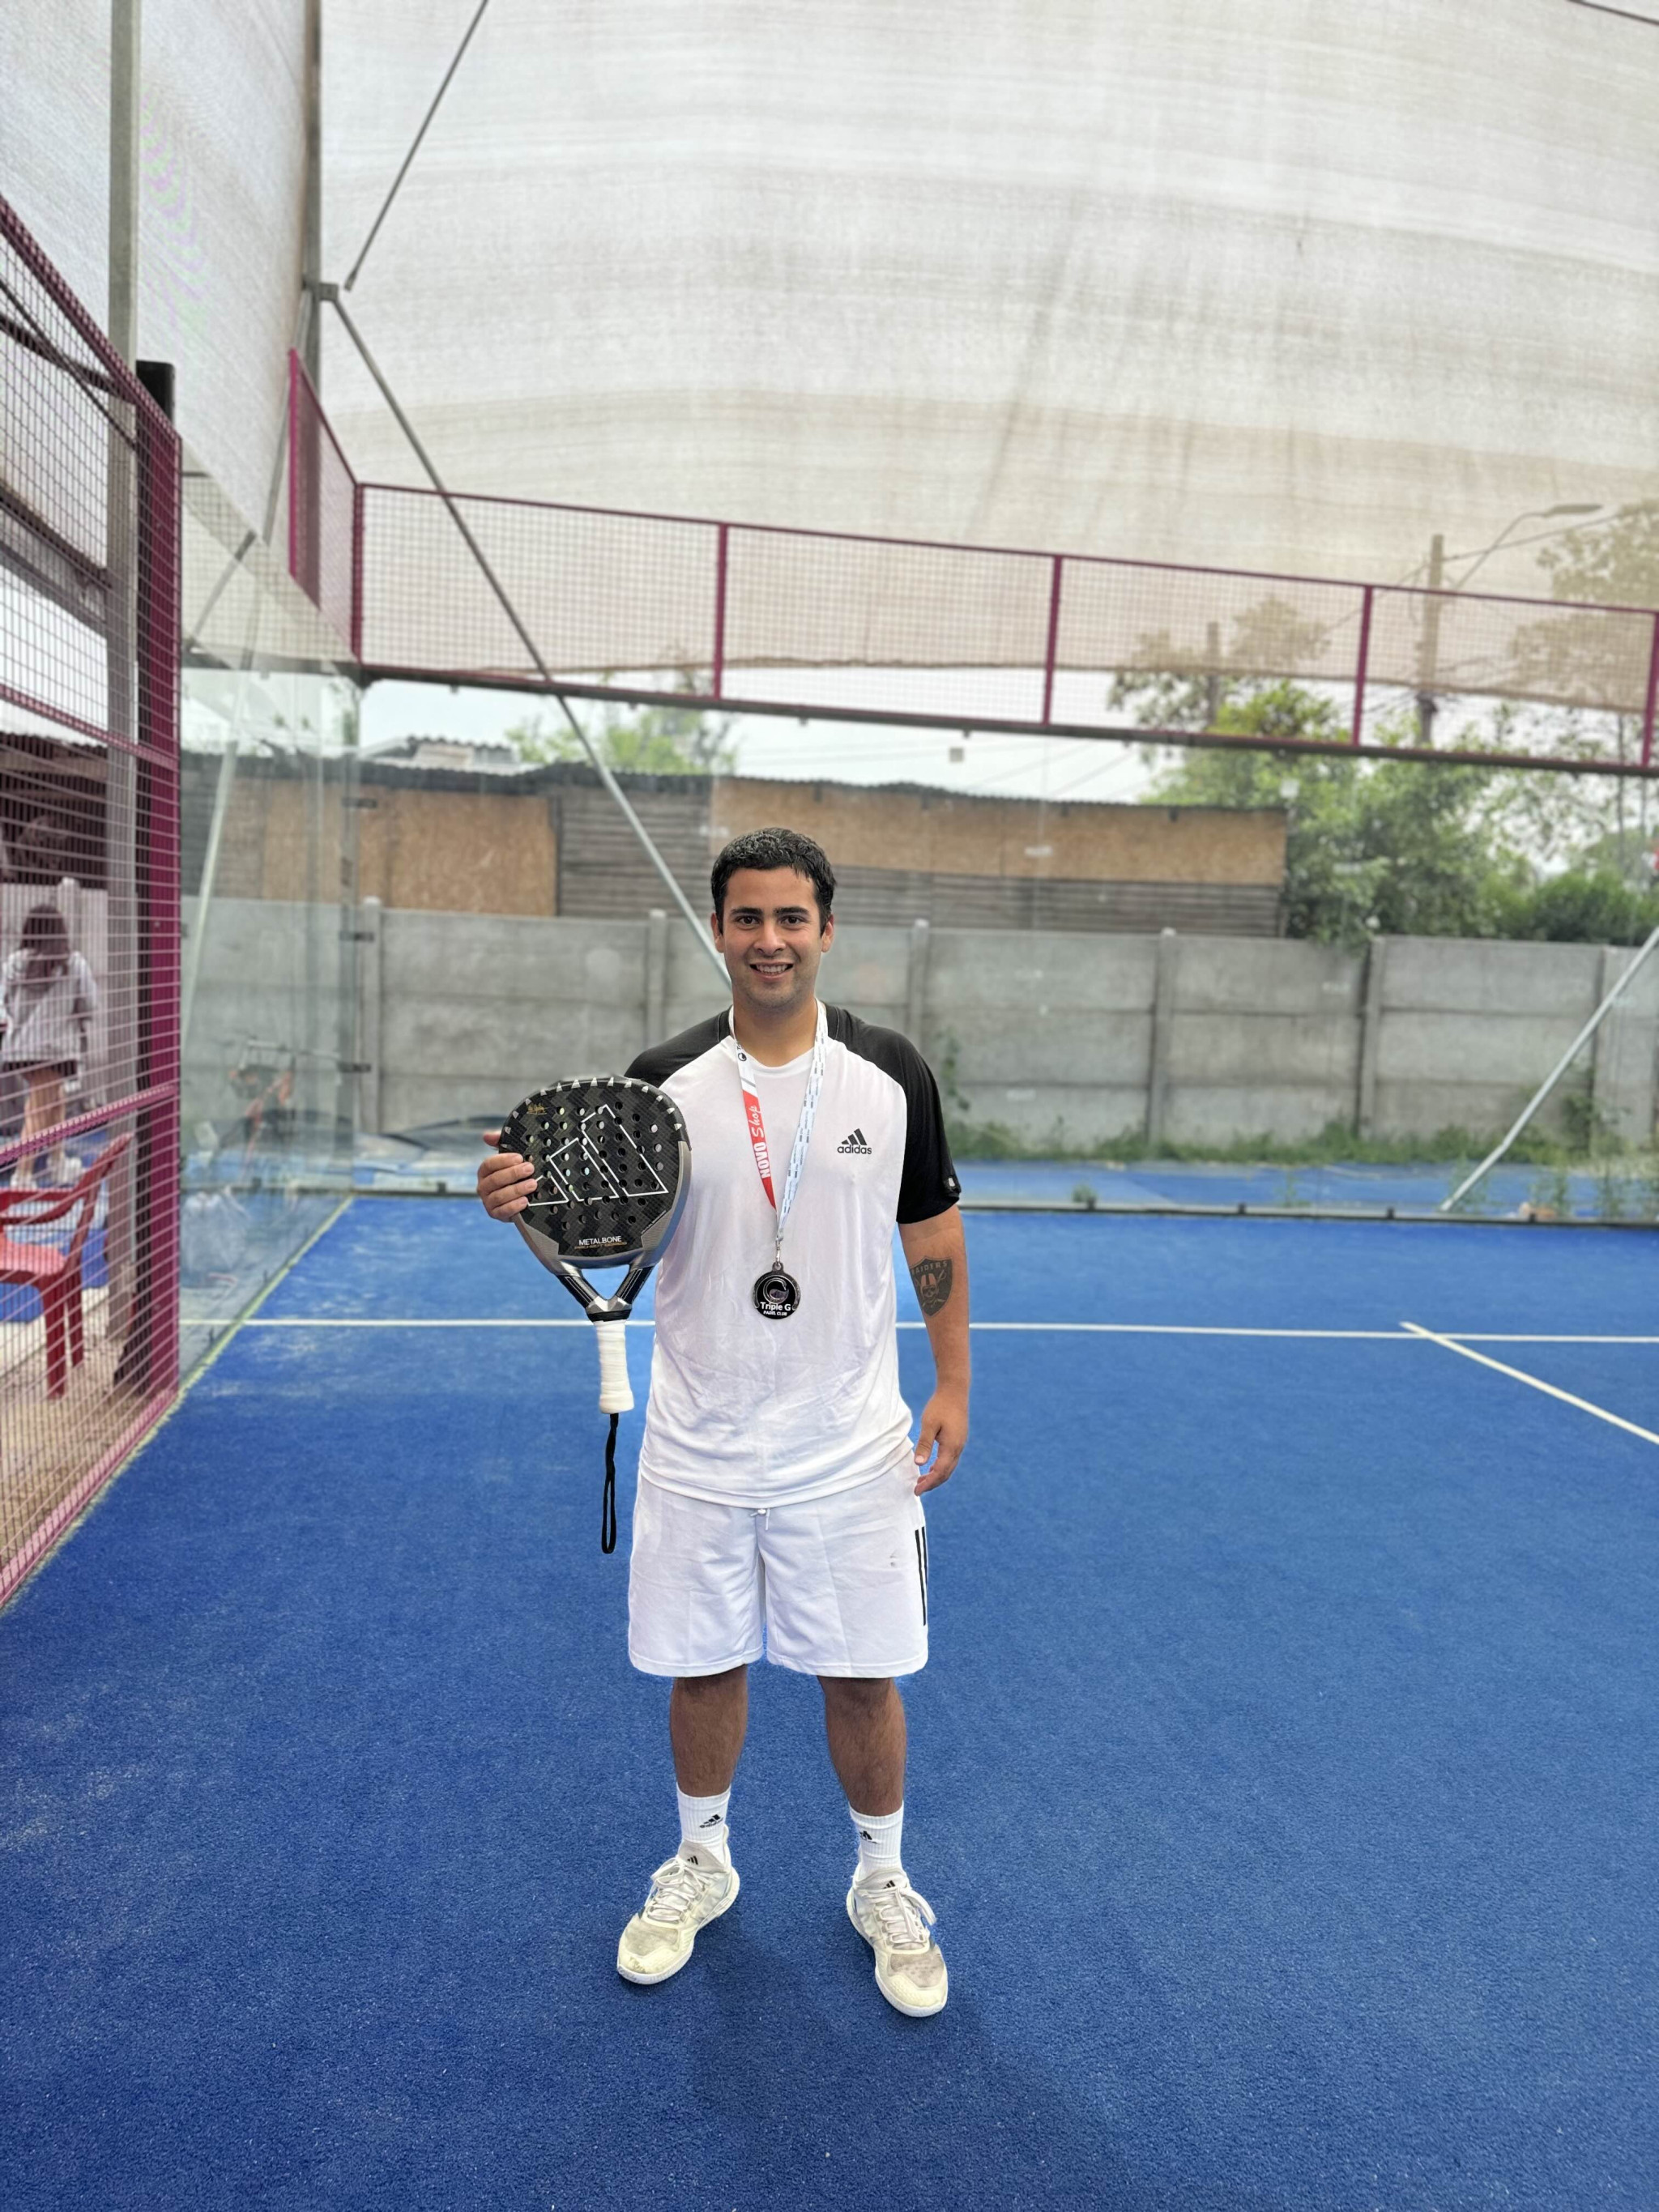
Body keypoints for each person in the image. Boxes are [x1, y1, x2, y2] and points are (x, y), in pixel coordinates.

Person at [476, 826, 970, 2016]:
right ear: (718, 929)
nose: (770, 939)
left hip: (849, 1445)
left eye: (791, 917)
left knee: (863, 1675)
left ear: (827, 930)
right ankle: (702, 1857)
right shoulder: (662, 1081)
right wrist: (516, 1202)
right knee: (702, 1666)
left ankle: (881, 1878)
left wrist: (953, 1384)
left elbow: (932, 1234)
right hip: (699, 1439)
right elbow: (594, 1221)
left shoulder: (891, 1072)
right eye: (748, 917)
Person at [0, 904, 96, 1188]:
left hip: (20, 1048)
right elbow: (89, 1005)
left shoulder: (14, 963)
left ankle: (58, 1162)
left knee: (55, 1100)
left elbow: (3, 1001)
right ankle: (23, 1175)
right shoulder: (73, 963)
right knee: (38, 1108)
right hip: (56, 1049)